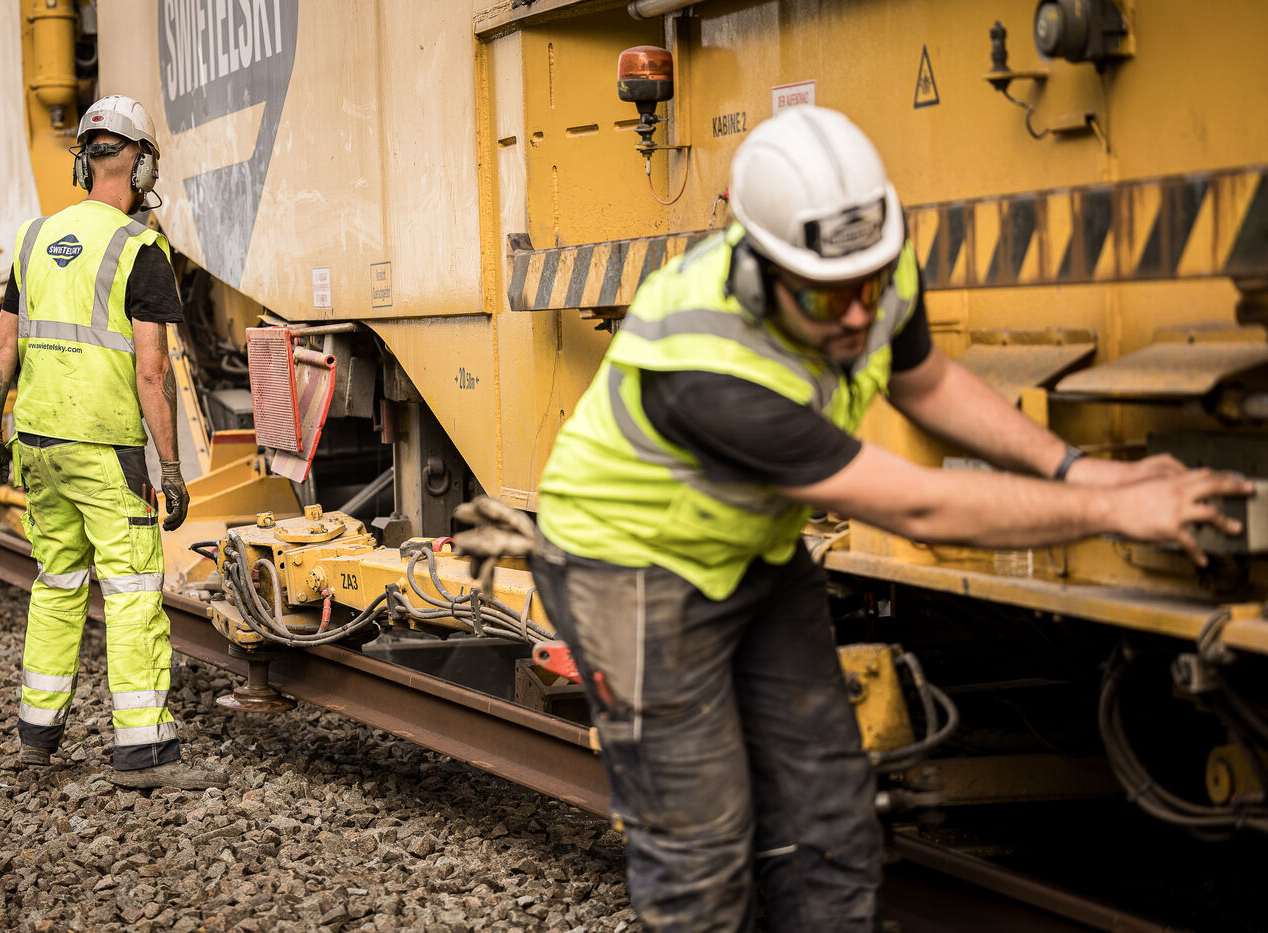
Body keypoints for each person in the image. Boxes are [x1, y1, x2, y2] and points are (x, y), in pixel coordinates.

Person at [530, 106, 1250, 931]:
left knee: (831, 814)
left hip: (751, 548)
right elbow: (921, 504)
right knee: (701, 848)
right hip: (629, 571)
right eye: (828, 296)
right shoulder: (708, 366)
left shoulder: (862, 264)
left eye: (871, 285)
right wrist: (1118, 506)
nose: (858, 315)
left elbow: (928, 380)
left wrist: (1078, 467)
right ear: (761, 277)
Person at [0, 95, 226, 790]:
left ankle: (36, 738)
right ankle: (144, 753)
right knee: (133, 589)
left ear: (85, 163)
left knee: (56, 582)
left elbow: (1, 348)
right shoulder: (140, 249)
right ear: (141, 166)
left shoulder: (33, 239)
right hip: (106, 452)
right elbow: (152, 371)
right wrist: (170, 468)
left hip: (37, 444)